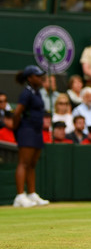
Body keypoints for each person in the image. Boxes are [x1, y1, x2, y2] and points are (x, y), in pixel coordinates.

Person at [12, 65, 50, 207]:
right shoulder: (26, 93)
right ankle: (20, 196)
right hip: (26, 130)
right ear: (30, 78)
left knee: (32, 164)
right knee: (24, 162)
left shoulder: (37, 92)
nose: (41, 78)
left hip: (36, 131)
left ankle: (32, 194)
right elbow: (17, 113)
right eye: (37, 76)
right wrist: (17, 129)